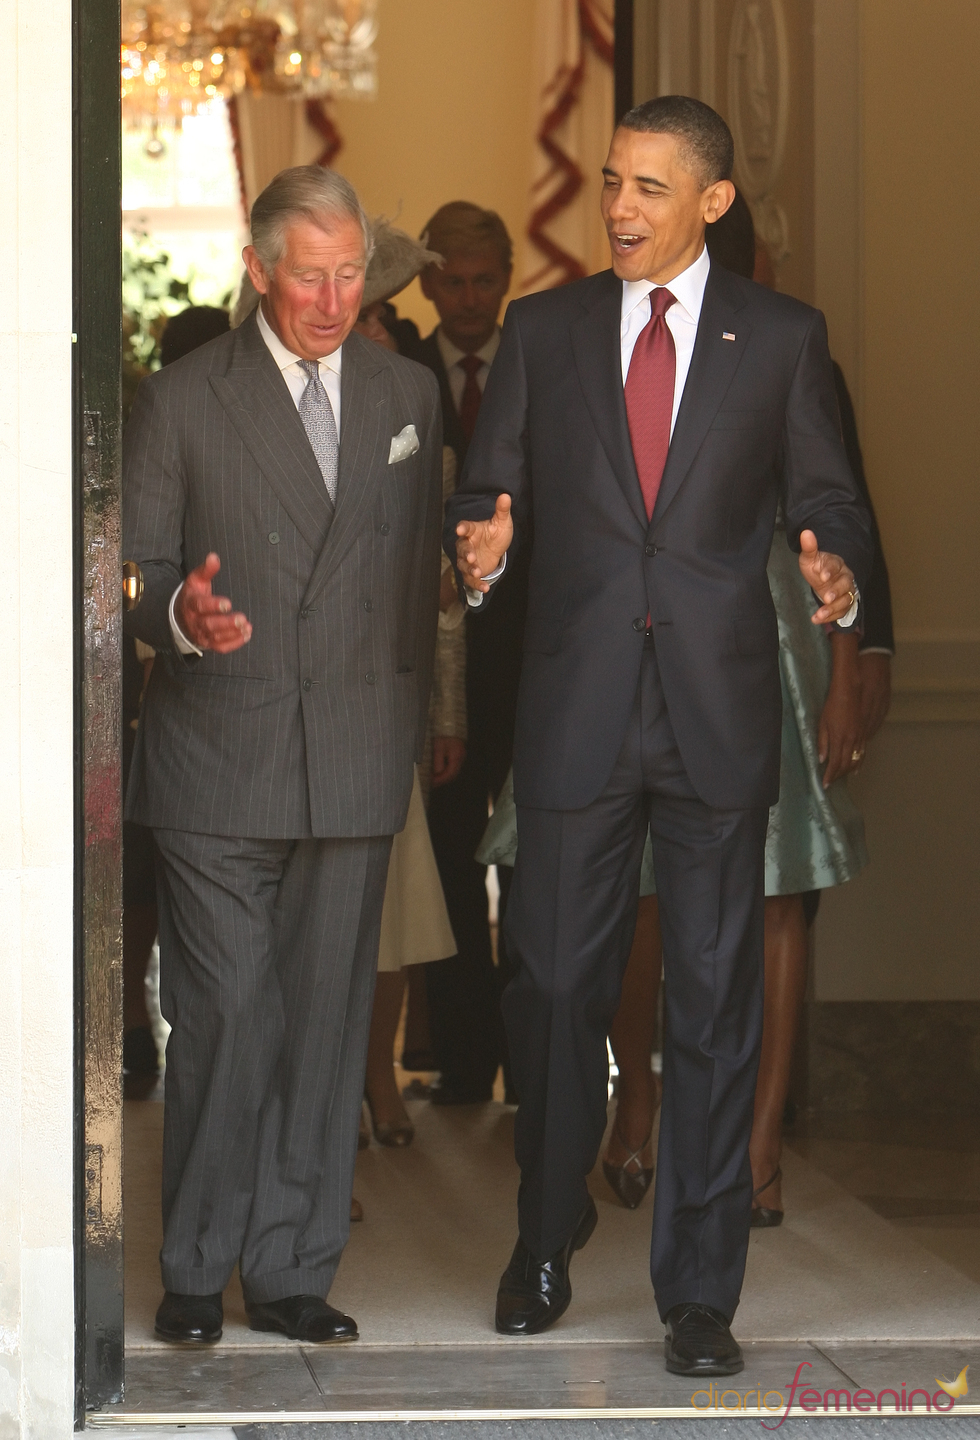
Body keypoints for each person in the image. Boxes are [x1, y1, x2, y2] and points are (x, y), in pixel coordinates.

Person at [447, 97, 872, 1376]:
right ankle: (544, 1231)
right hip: (576, 712)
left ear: (709, 202)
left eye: (646, 188)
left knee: (710, 1006)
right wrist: (483, 544)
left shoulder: (782, 340)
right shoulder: (544, 330)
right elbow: (487, 486)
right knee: (555, 989)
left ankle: (699, 1292)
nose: (618, 209)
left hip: (713, 718)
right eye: (609, 182)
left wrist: (837, 571)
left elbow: (829, 495)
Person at [123, 165, 443, 1347]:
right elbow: (140, 573)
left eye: (349, 274)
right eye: (306, 275)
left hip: (356, 751)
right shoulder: (185, 399)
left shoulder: (408, 391)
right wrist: (179, 620)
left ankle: (295, 1266)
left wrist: (419, 720)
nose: (329, 298)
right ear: (257, 270)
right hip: (220, 753)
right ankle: (199, 1267)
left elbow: (418, 583)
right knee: (226, 1015)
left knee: (323, 1020)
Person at [415, 201, 527, 1106]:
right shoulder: (398, 370)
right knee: (448, 863)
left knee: (532, 865)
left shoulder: (535, 366)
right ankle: (460, 1053)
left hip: (531, 664)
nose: (468, 295)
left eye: (484, 277)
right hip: (435, 670)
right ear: (425, 282)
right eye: (451, 278)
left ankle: (533, 1059)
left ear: (506, 276)